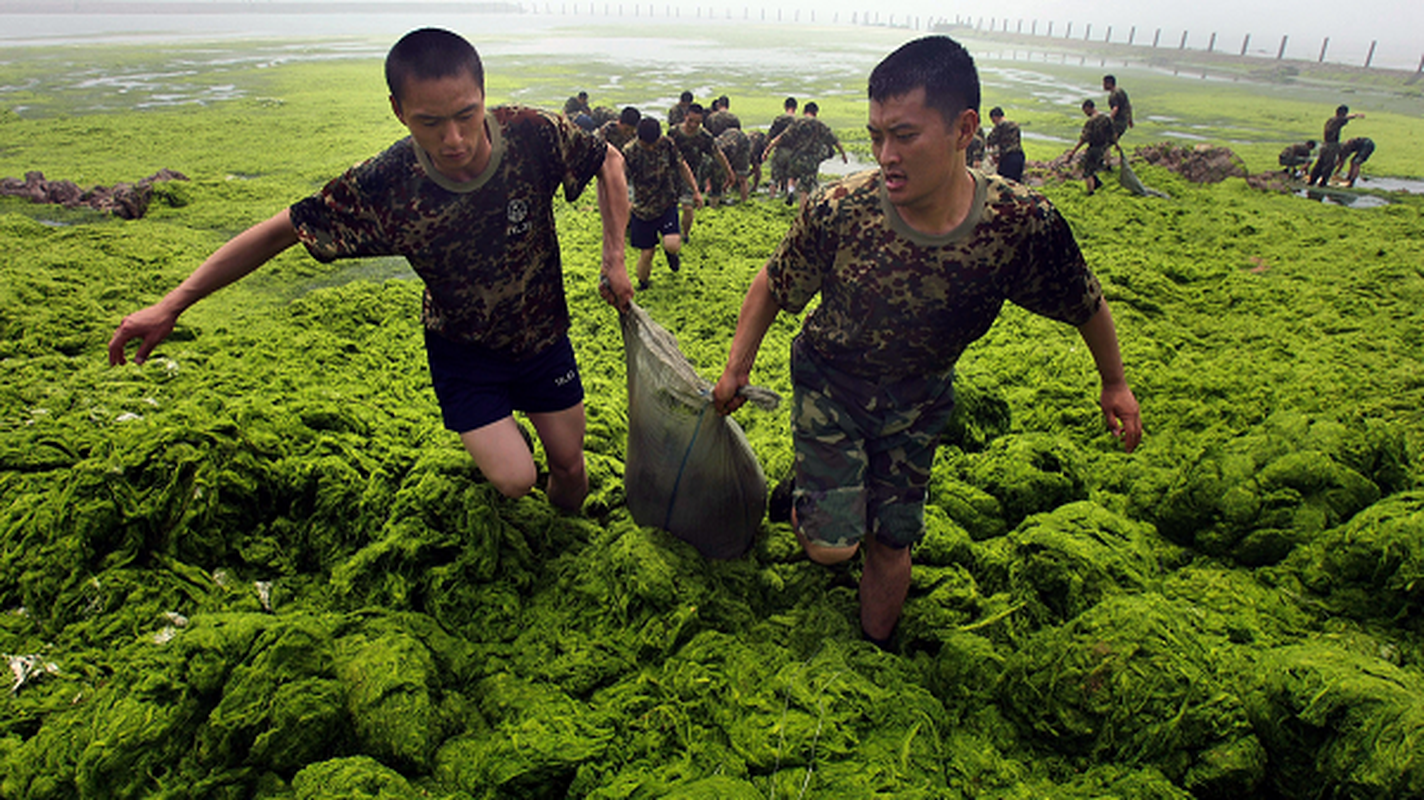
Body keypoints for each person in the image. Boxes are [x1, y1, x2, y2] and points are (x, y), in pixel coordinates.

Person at [712, 36, 1141, 650]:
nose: (885, 155)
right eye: (876, 134)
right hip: (830, 382)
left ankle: (873, 652)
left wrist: (1115, 383)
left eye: (905, 135)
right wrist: (736, 369)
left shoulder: (1017, 225)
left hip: (919, 401)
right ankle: (810, 497)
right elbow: (772, 287)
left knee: (892, 541)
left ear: (965, 128)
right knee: (832, 549)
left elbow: (1085, 301)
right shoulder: (839, 210)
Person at [107, 28, 634, 513]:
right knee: (516, 479)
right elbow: (280, 230)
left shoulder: (532, 133)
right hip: (464, 350)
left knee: (569, 466)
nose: (453, 139)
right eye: (430, 122)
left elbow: (607, 160)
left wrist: (613, 256)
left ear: (482, 95)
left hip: (542, 337)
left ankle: (561, 540)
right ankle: (501, 436)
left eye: (466, 115)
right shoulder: (385, 186)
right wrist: (173, 304)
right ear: (398, 110)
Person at [624, 117, 700, 290]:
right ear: (638, 138)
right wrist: (624, 205)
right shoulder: (629, 151)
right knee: (647, 252)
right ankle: (643, 285)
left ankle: (670, 254)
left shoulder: (667, 144)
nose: (651, 148)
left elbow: (682, 166)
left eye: (654, 144)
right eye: (646, 145)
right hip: (642, 208)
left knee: (672, 245)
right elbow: (622, 181)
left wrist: (695, 190)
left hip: (667, 202)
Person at [669, 103, 732, 241]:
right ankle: (668, 232)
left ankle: (684, 235)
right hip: (671, 174)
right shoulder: (673, 132)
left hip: (691, 176)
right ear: (685, 116)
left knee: (687, 207)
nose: (693, 125)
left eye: (697, 122)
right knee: (667, 206)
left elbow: (717, 154)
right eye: (690, 120)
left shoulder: (705, 136)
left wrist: (729, 172)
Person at [765, 101, 847, 207]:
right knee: (805, 189)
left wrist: (768, 149)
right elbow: (835, 141)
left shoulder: (798, 122)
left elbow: (781, 137)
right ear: (816, 113)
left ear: (804, 111)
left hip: (796, 157)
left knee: (792, 176)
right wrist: (843, 154)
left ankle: (790, 191)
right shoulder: (820, 125)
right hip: (811, 161)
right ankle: (802, 211)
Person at [1066, 99, 1117, 195]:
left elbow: (1084, 138)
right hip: (1103, 148)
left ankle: (1091, 192)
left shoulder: (1091, 122)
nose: (1085, 113)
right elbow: (1112, 134)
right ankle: (1097, 183)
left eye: (1085, 111)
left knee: (1087, 171)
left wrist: (1073, 151)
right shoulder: (1106, 118)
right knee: (1092, 166)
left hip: (1094, 148)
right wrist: (1116, 145)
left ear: (1088, 108)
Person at [1308, 104, 1365, 187]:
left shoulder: (1330, 120)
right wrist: (1356, 115)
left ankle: (1312, 181)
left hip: (1324, 145)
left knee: (1319, 164)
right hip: (1331, 146)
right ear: (1343, 113)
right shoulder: (1337, 120)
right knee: (1329, 166)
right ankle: (1322, 183)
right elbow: (1345, 119)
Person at [767, 96, 799, 199]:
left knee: (775, 176)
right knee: (790, 176)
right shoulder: (798, 121)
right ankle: (787, 195)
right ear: (795, 108)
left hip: (780, 150)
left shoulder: (779, 119)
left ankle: (772, 196)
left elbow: (770, 136)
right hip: (793, 152)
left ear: (785, 106)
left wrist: (767, 149)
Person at [986, 106, 1025, 182]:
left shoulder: (1000, 126)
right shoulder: (1015, 125)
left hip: (1008, 159)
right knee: (1017, 184)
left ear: (995, 117)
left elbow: (990, 140)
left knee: (1005, 183)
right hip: (1019, 156)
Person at [1103, 75, 1132, 142]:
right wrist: (1130, 119)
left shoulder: (1114, 95)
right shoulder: (1121, 91)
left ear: (1109, 84)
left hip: (1118, 123)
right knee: (1111, 141)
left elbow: (1115, 108)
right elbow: (1128, 106)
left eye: (1104, 84)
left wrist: (1109, 120)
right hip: (1124, 122)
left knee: (1107, 141)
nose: (1103, 86)